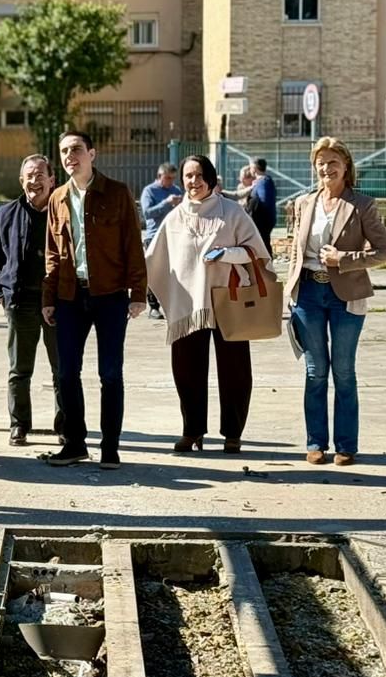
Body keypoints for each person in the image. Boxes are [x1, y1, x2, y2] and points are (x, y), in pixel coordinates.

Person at [144, 154, 273, 454]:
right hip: (188, 306)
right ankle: (192, 431)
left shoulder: (231, 212)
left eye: (200, 175)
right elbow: (154, 259)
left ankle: (233, 433)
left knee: (236, 372)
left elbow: (258, 253)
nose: (194, 181)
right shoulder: (174, 218)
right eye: (188, 176)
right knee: (186, 370)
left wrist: (226, 254)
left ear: (211, 177)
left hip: (229, 302)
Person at [41, 129, 147, 469]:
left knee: (110, 373)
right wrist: (48, 297)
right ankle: (74, 444)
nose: (70, 156)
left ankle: (110, 447)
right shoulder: (57, 198)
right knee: (67, 372)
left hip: (110, 296)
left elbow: (133, 244)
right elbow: (52, 254)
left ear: (92, 154)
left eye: (76, 150)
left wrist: (138, 293)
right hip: (70, 296)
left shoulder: (116, 193)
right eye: (64, 152)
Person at [288, 137, 386, 467]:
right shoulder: (304, 203)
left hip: (346, 297)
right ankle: (315, 442)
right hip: (307, 294)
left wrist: (343, 258)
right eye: (320, 162)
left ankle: (346, 445)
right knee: (315, 372)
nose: (326, 168)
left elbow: (383, 253)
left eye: (333, 162)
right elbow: (295, 248)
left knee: (343, 371)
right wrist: (288, 287)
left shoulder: (362, 204)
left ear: (346, 166)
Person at [0, 155, 64, 447]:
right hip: (20, 303)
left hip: (58, 303)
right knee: (19, 370)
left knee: (63, 369)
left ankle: (65, 426)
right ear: (22, 181)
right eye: (29, 176)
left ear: (52, 180)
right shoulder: (7, 213)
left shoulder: (64, 212)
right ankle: (19, 425)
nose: (35, 181)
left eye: (40, 175)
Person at [140, 162, 183, 320]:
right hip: (154, 236)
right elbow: (147, 213)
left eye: (172, 178)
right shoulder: (149, 191)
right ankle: (153, 307)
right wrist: (166, 203)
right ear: (159, 177)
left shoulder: (176, 190)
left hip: (174, 235)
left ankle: (173, 304)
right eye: (167, 178)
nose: (170, 182)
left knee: (175, 271)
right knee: (154, 270)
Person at [249, 158, 278, 247]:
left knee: (263, 245)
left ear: (255, 168)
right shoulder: (262, 182)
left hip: (262, 221)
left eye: (250, 167)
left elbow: (264, 200)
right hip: (263, 220)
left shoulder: (264, 182)